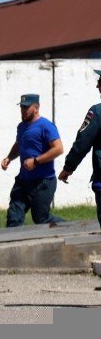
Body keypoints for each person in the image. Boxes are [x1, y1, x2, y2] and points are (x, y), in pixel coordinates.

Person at [1, 94, 65, 227]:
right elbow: (19, 144)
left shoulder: (46, 126)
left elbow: (58, 149)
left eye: (26, 108)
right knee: (13, 218)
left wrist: (36, 161)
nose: (23, 111)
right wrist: (9, 158)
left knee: (41, 220)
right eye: (22, 108)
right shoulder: (21, 126)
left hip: (43, 182)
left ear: (36, 107)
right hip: (23, 181)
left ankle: (71, 227)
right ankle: (12, 245)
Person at [59, 70, 101, 228]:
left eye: (100, 82)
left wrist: (68, 167)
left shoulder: (97, 112)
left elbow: (82, 143)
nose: (97, 86)